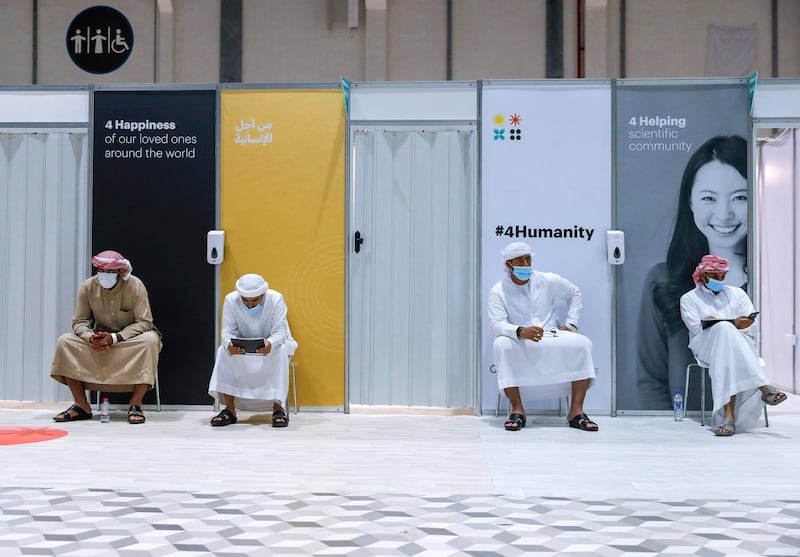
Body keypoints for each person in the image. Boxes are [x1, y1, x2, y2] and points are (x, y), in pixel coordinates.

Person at [637, 135, 748, 409]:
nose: (724, 215)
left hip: (751, 426)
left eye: (740, 197)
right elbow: (650, 383)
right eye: (709, 197)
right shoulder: (663, 281)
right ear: (690, 203)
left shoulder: (768, 282)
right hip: (683, 434)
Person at [488, 241, 598, 432]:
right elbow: (497, 324)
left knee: (583, 343)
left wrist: (571, 324)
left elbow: (575, 293)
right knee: (501, 345)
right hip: (519, 338)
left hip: (551, 335)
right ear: (509, 265)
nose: (525, 264)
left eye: (528, 259)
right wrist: (520, 331)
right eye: (519, 260)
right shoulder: (498, 290)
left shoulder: (547, 280)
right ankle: (517, 410)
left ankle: (576, 411)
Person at [680, 255, 787, 436]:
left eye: (722, 277)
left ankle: (728, 417)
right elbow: (696, 328)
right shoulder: (689, 299)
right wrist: (729, 324)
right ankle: (764, 387)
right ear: (703, 275)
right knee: (724, 329)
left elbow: (753, 325)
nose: (719, 280)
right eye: (715, 276)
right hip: (705, 346)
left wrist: (741, 324)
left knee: (727, 344)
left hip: (739, 346)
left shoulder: (737, 294)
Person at [51, 250, 161, 424]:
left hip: (128, 340)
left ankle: (135, 404)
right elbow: (79, 321)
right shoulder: (88, 287)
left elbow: (145, 322)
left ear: (120, 272)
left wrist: (116, 337)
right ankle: (81, 405)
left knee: (150, 340)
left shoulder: (135, 286)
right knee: (65, 341)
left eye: (111, 272)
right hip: (98, 339)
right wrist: (90, 337)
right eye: (102, 271)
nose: (105, 275)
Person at [208, 273, 297, 428]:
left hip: (271, 346)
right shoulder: (231, 299)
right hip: (242, 347)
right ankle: (230, 410)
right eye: (245, 300)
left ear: (262, 294)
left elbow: (280, 332)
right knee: (223, 350)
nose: (249, 304)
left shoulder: (276, 299)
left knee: (281, 350)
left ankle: (278, 409)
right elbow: (227, 332)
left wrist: (270, 343)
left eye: (254, 300)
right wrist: (230, 344)